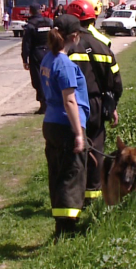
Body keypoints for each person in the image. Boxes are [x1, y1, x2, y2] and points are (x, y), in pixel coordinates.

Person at [66, 0, 122, 206]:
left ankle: (73, 197)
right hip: (97, 103)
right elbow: (115, 79)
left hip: (72, 102)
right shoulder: (102, 45)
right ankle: (93, 195)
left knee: (73, 148)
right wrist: (112, 103)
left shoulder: (67, 47)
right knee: (96, 146)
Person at [40, 14, 90, 237]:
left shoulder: (47, 59)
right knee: (72, 175)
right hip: (66, 124)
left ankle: (60, 225)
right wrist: (78, 133)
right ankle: (68, 230)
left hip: (50, 122)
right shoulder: (65, 64)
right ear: (75, 36)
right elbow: (70, 100)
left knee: (57, 174)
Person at [21, 3, 53, 114]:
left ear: (31, 11)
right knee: (50, 78)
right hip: (49, 52)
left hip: (37, 54)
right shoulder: (49, 22)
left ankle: (43, 104)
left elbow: (26, 44)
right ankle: (50, 102)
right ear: (40, 10)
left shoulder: (30, 25)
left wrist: (25, 59)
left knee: (38, 80)